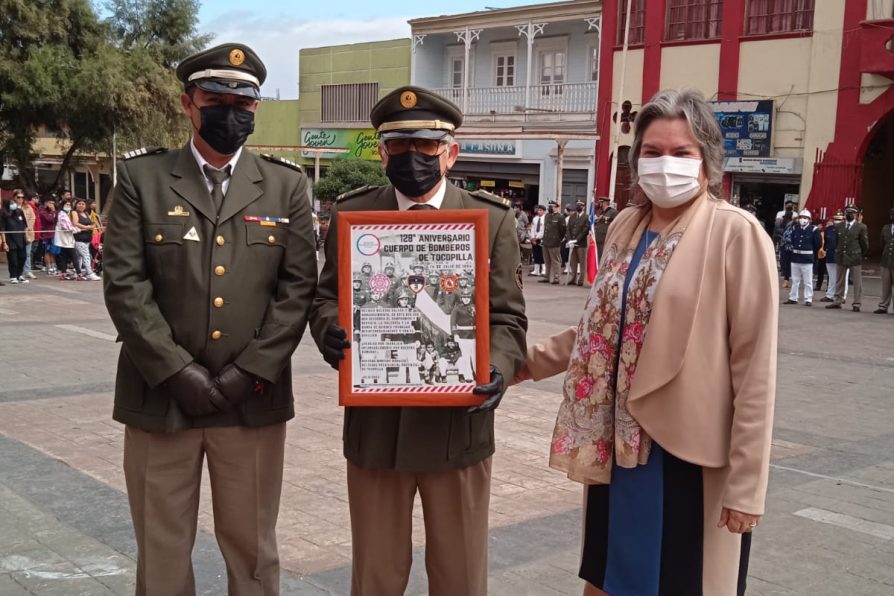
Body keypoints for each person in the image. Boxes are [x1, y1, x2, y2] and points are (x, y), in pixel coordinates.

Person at [517, 89, 777, 595]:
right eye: (653, 152)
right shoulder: (625, 227)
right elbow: (600, 329)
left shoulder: (735, 234)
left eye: (682, 153)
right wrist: (525, 363)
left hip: (685, 455)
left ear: (708, 160)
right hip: (615, 444)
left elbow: (756, 370)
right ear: (636, 161)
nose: (666, 165)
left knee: (678, 581)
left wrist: (747, 486)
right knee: (610, 577)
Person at [102, 43, 318, 595]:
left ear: (255, 110)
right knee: (162, 547)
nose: (230, 112)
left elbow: (296, 290)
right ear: (188, 104)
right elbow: (125, 285)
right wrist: (176, 371)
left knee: (252, 550)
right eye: (214, 98)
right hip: (161, 398)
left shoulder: (287, 185)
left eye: (242, 103)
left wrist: (251, 370)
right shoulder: (141, 179)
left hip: (252, 400)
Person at [310, 84, 527, 596]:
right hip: (377, 429)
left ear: (450, 151)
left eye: (426, 145)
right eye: (400, 146)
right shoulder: (351, 215)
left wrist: (495, 365)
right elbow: (325, 297)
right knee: (376, 575)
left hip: (459, 428)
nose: (413, 157)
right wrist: (328, 331)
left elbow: (509, 318)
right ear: (382, 152)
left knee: (460, 576)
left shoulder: (491, 220)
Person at [826, 205, 868, 311]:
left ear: (856, 215)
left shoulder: (861, 227)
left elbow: (865, 244)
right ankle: (838, 300)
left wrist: (860, 253)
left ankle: (857, 303)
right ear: (845, 214)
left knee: (857, 282)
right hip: (841, 256)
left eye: (852, 213)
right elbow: (836, 241)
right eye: (848, 212)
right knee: (839, 280)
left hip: (855, 256)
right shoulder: (839, 226)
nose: (850, 215)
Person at [783, 209, 821, 306]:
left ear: (809, 219)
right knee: (795, 280)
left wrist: (813, 256)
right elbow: (792, 240)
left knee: (808, 281)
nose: (803, 219)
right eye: (801, 217)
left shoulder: (814, 230)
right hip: (795, 257)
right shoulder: (795, 228)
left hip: (807, 259)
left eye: (805, 218)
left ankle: (808, 299)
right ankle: (793, 298)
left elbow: (817, 244)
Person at [0, 194, 29, 284]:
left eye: (14, 203)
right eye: (11, 203)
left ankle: (19, 275)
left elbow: (25, 225)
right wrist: (4, 243)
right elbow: (2, 229)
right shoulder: (3, 214)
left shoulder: (19, 211)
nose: (14, 204)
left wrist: (27, 236)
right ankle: (13, 276)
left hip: (21, 239)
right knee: (13, 260)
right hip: (10, 239)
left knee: (23, 257)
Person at [71, 198, 101, 280]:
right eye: (79, 204)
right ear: (76, 205)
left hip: (87, 238)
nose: (81, 205)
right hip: (79, 238)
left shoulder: (86, 213)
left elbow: (92, 223)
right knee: (86, 255)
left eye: (83, 204)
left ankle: (77, 272)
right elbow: (75, 223)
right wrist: (87, 227)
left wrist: (92, 226)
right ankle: (89, 273)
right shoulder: (74, 212)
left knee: (79, 256)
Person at [540, 200, 565, 284]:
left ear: (556, 207)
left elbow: (562, 230)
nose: (550, 208)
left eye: (552, 206)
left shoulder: (560, 217)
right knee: (546, 261)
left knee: (555, 261)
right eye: (549, 206)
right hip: (546, 241)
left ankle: (557, 278)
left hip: (554, 242)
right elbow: (546, 229)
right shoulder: (547, 216)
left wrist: (559, 239)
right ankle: (547, 277)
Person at [53, 198, 79, 280]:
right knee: (74, 256)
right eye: (66, 205)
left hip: (64, 239)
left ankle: (63, 273)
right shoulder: (62, 214)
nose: (68, 206)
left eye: (69, 205)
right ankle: (79, 273)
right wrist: (77, 229)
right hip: (66, 239)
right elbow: (66, 227)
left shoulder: (64, 214)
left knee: (63, 256)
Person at [820, 211, 843, 302]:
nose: (837, 221)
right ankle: (830, 295)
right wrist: (824, 251)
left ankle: (841, 296)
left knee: (842, 278)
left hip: (841, 257)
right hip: (830, 256)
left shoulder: (845, 229)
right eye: (836, 219)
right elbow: (826, 243)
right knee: (832, 277)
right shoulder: (828, 229)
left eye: (839, 219)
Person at [874, 206, 894, 314]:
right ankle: (883, 306)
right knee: (885, 285)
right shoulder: (886, 228)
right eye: (891, 214)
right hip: (886, 261)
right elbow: (882, 243)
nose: (892, 216)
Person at [565, 199, 589, 286]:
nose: (579, 207)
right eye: (578, 205)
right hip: (572, 242)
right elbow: (568, 229)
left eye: (581, 205)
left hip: (581, 243)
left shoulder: (586, 217)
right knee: (573, 261)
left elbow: (585, 230)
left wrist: (577, 240)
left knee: (582, 262)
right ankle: (573, 278)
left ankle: (581, 279)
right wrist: (569, 239)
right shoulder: (572, 216)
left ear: (584, 207)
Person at [22, 191, 41, 276]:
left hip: (30, 232)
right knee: (24, 253)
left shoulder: (30, 207)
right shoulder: (27, 207)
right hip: (21, 233)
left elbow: (33, 219)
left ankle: (28, 269)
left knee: (28, 253)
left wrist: (29, 229)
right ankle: (21, 271)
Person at [38, 197, 58, 275]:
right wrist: (53, 211)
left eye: (53, 203)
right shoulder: (42, 211)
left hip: (54, 234)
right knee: (48, 251)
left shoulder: (54, 211)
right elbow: (50, 220)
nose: (52, 205)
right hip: (47, 235)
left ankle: (54, 267)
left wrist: (54, 211)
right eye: (50, 203)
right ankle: (49, 268)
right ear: (45, 203)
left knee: (53, 252)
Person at [530, 204, 546, 275]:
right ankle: (536, 270)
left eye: (541, 210)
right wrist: (532, 237)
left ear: (544, 211)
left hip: (541, 238)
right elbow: (532, 228)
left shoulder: (545, 219)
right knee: (535, 254)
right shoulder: (535, 219)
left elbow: (543, 230)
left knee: (542, 254)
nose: (539, 211)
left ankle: (543, 270)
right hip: (535, 238)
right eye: (538, 210)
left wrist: (537, 237)